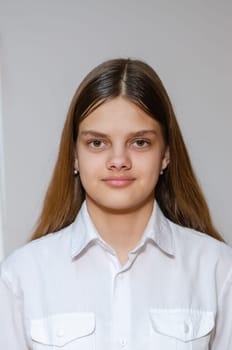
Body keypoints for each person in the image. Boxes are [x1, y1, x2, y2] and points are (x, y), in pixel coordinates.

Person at [0, 58, 231, 349]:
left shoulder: (218, 270)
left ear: (166, 155)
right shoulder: (20, 277)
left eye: (140, 142)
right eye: (97, 143)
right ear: (74, 155)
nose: (119, 161)